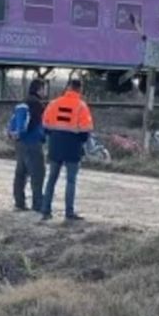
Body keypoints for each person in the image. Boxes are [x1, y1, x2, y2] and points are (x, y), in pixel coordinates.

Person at [39, 78, 93, 221]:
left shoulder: (53, 103)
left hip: (55, 145)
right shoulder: (82, 106)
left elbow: (45, 125)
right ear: (80, 89)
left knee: (52, 179)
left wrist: (54, 136)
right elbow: (85, 131)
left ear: (68, 87)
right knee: (71, 181)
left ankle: (45, 210)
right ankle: (69, 212)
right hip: (73, 147)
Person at [8, 79, 47, 212]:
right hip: (32, 142)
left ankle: (19, 202)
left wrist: (15, 134)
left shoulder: (22, 103)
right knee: (37, 174)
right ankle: (38, 204)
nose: (45, 92)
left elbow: (14, 121)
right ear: (39, 89)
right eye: (43, 89)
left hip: (19, 143)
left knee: (20, 173)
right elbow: (34, 123)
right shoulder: (36, 104)